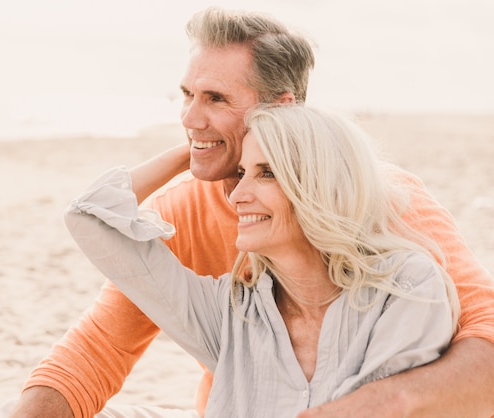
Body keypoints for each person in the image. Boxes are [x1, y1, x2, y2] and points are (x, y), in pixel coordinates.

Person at [0, 6, 494, 418]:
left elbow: (486, 342)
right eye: (187, 96)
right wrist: (198, 152)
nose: (190, 117)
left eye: (215, 98)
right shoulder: (184, 212)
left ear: (281, 110)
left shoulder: (389, 205)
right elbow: (98, 350)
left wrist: (369, 407)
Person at [63, 104, 459, 417]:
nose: (237, 196)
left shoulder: (404, 287)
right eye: (240, 172)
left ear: (319, 185)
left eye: (266, 173)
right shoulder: (229, 311)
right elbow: (90, 217)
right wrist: (203, 148)